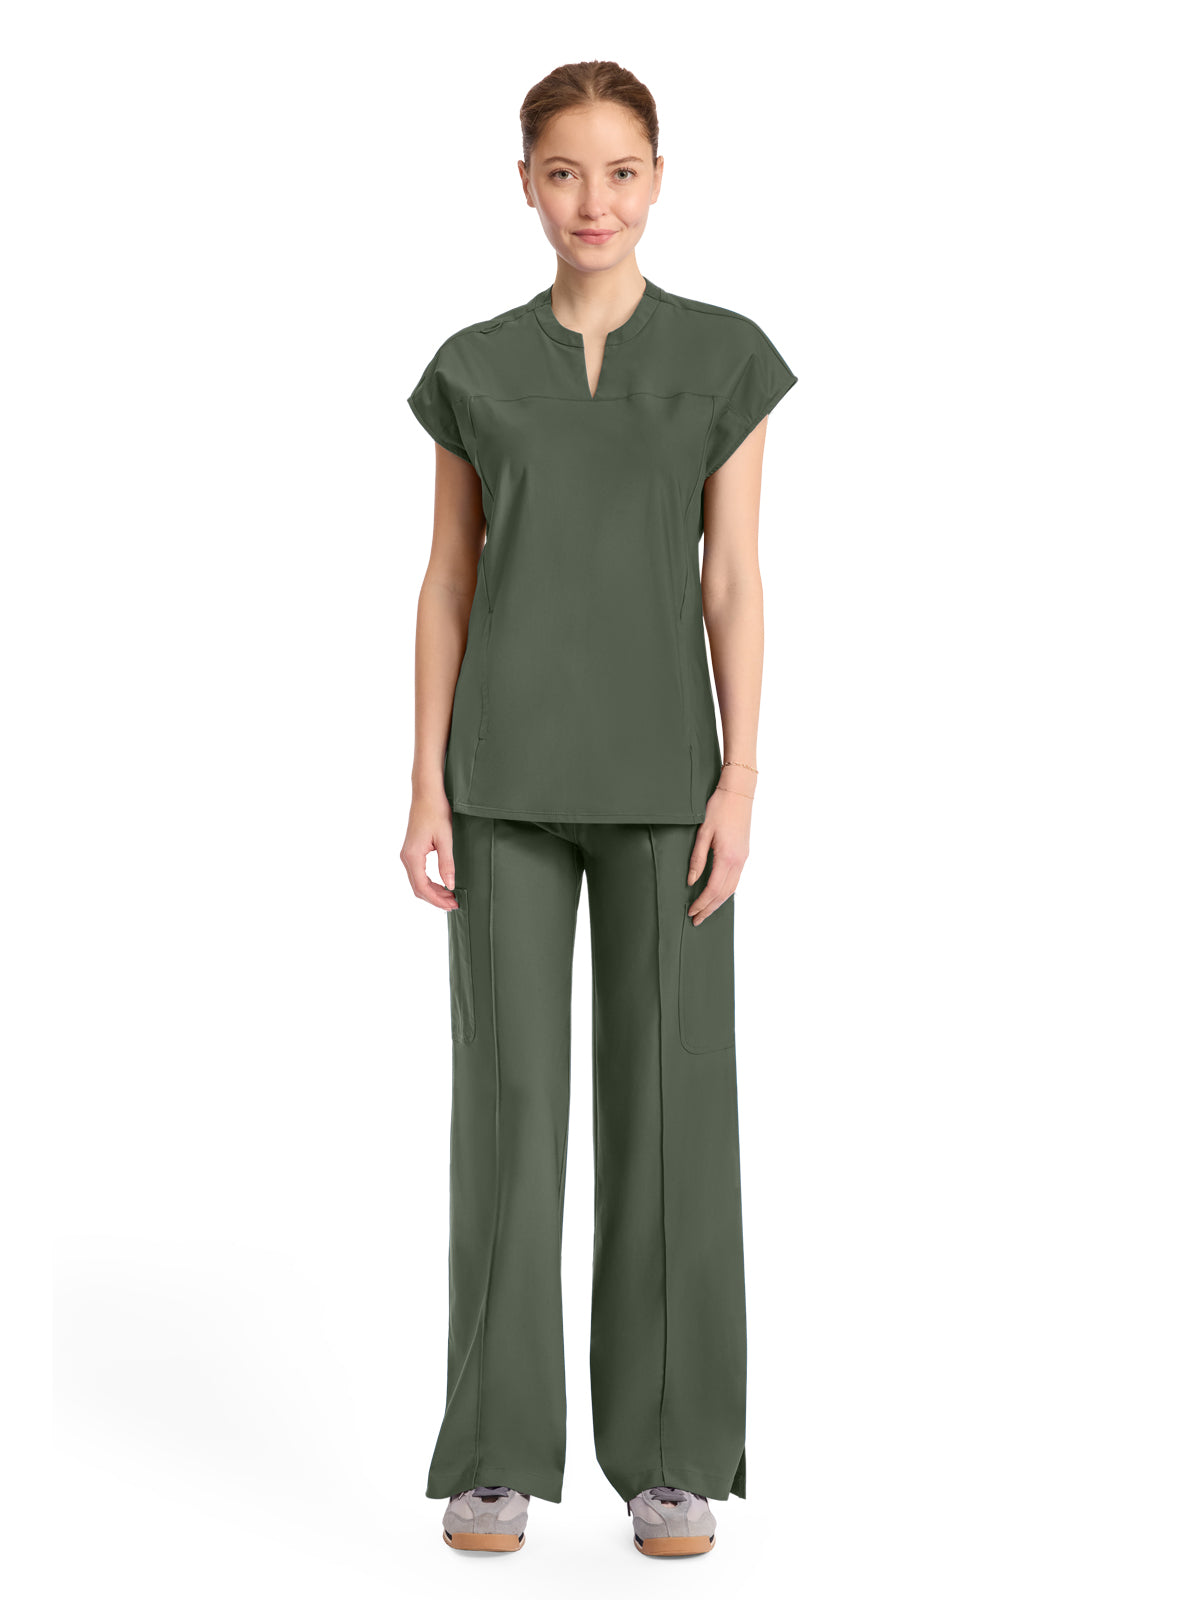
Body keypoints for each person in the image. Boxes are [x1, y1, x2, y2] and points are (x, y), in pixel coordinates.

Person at [400, 59, 796, 1558]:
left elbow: (734, 580)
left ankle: (673, 1456)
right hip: (501, 782)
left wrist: (740, 777)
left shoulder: (724, 359)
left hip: (668, 790)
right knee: (507, 1120)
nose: (593, 201)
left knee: (672, 1117)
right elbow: (447, 581)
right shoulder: (471, 368)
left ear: (658, 179)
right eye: (563, 171)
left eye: (621, 171)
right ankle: (496, 1451)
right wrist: (426, 780)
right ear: (524, 183)